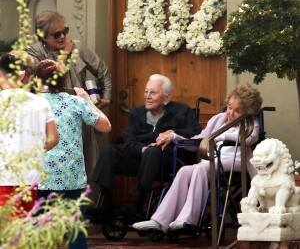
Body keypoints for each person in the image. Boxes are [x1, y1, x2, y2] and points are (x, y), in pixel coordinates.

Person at [133, 83, 263, 232]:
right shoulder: (219, 119)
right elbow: (200, 140)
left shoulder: (251, 122)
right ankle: (159, 220)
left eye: (237, 110)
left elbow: (250, 139)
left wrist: (220, 136)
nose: (230, 113)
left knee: (202, 168)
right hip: (213, 160)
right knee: (185, 171)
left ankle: (189, 219)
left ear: (248, 112)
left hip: (237, 160)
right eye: (229, 107)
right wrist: (175, 137)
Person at [92, 74, 201, 218]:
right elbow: (129, 140)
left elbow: (196, 135)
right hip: (138, 158)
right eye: (146, 91)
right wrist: (140, 149)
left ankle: (138, 206)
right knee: (108, 150)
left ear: (167, 98)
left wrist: (173, 133)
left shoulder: (182, 112)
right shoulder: (137, 113)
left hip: (167, 162)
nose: (147, 96)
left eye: (153, 92)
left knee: (153, 151)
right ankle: (106, 206)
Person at [25, 10, 112, 179]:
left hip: (78, 112)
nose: (62, 37)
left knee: (84, 161)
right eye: (56, 34)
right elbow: (49, 80)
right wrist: (65, 56)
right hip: (51, 117)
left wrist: (106, 96)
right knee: (52, 163)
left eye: (65, 31)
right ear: (42, 36)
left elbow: (102, 71)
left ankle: (83, 201)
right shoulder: (34, 54)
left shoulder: (77, 46)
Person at [35, 59, 111, 249]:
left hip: (39, 177)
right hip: (71, 177)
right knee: (76, 235)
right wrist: (87, 100)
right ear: (65, 80)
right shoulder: (75, 102)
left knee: (35, 234)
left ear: (36, 79)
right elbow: (106, 126)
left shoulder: (31, 103)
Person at [0, 53, 59, 216]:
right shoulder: (40, 102)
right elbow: (53, 138)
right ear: (22, 74)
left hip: (4, 177)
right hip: (30, 177)